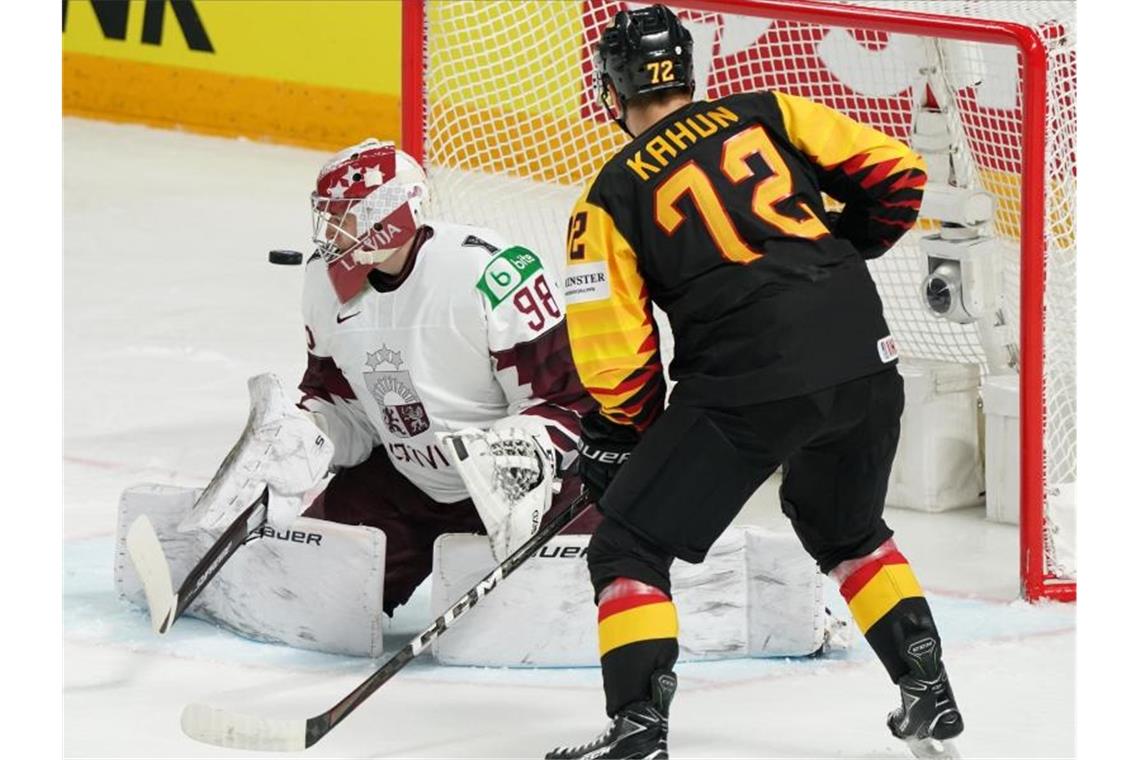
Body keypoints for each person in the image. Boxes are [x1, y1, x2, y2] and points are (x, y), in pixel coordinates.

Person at [547, 6, 963, 759]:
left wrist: (620, 439)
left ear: (613, 92)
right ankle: (926, 686)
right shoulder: (765, 112)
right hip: (866, 361)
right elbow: (901, 175)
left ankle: (639, 728)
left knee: (628, 548)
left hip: (749, 384)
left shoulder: (607, 196)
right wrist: (841, 249)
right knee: (847, 531)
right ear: (688, 71)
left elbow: (616, 350)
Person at [263, 138, 598, 615]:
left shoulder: (491, 270)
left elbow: (568, 404)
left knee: (559, 604)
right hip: (408, 482)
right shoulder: (324, 281)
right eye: (329, 216)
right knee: (301, 593)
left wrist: (515, 458)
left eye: (345, 217)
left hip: (522, 492)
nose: (330, 231)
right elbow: (337, 400)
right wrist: (303, 437)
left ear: (390, 216)